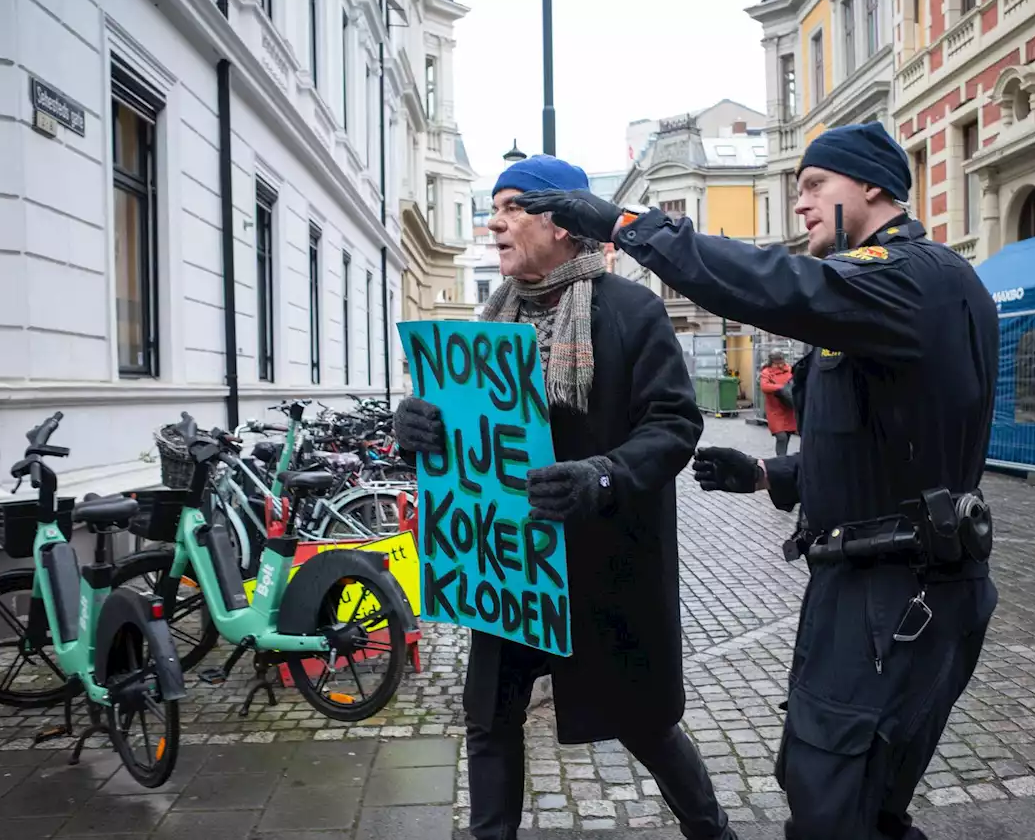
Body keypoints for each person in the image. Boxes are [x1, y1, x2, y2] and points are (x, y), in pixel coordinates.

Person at [513, 122, 1000, 840]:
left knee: (832, 800)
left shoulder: (907, 277)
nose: (800, 203)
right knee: (852, 798)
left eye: (813, 186)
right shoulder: (895, 284)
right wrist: (770, 473)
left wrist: (626, 224)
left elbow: (770, 285)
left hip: (895, 592)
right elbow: (893, 444)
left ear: (871, 186)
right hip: (876, 582)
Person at [394, 154, 738, 840]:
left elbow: (675, 424)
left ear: (563, 221)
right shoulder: (483, 329)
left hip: (603, 565)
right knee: (488, 715)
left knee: (644, 722)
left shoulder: (631, 310)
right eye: (494, 207)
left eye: (513, 206)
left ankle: (712, 829)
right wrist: (413, 429)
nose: (495, 222)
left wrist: (602, 475)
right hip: (512, 565)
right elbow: (459, 435)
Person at [759, 349, 796, 456]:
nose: (780, 364)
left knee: (787, 434)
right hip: (775, 410)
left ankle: (782, 458)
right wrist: (780, 388)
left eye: (781, 361)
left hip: (788, 408)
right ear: (772, 361)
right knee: (781, 436)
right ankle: (781, 459)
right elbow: (764, 386)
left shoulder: (789, 369)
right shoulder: (766, 372)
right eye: (777, 362)